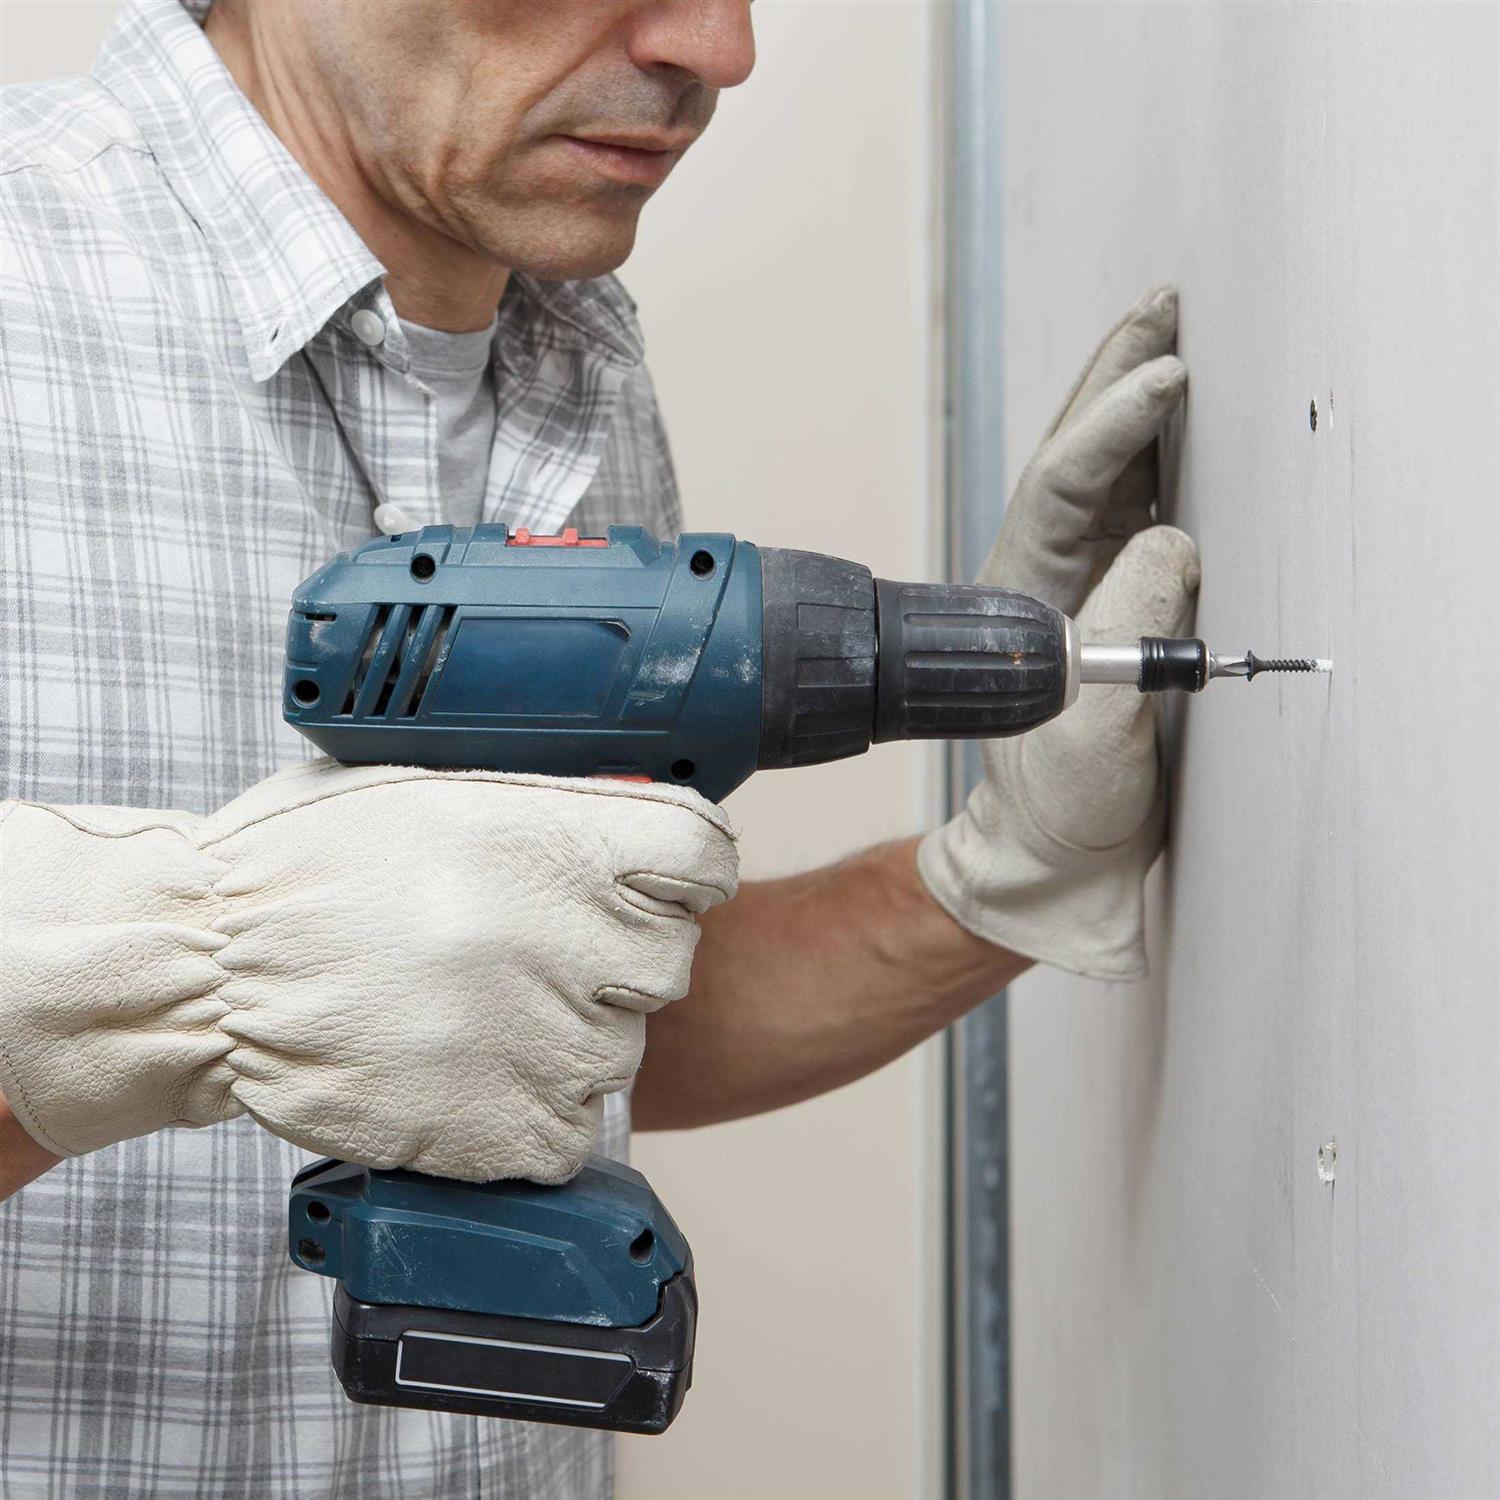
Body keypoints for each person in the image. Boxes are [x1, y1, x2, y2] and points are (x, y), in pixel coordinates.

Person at [0, 0, 1199, 1494]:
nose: (718, 48)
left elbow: (557, 1021)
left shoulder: (573, 351)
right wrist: (179, 977)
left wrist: (997, 874)